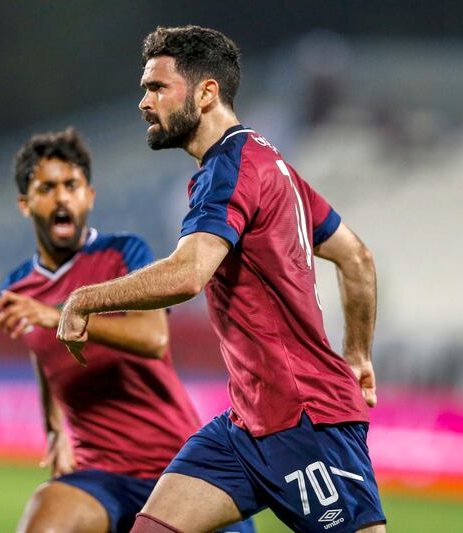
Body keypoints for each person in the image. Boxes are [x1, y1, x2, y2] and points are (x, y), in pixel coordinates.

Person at [57, 26, 386, 533]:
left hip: (306, 420)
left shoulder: (229, 167)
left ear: (207, 92)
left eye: (158, 87)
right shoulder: (271, 164)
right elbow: (357, 259)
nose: (145, 102)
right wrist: (358, 355)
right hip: (246, 426)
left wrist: (86, 299)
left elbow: (190, 273)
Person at [0, 128, 254, 533]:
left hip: (178, 468)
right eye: (47, 188)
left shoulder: (123, 253)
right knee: (44, 520)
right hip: (102, 474)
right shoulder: (17, 286)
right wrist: (53, 427)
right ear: (26, 204)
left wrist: (55, 314)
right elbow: (41, 352)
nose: (62, 197)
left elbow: (154, 339)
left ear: (89, 197)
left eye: (71, 185)